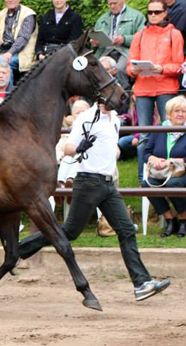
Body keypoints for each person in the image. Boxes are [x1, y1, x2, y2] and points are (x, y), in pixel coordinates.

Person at [18, 102, 172, 302]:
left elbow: (112, 148)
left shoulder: (114, 118)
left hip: (108, 184)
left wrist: (114, 152)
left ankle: (142, 283)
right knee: (70, 231)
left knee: (126, 230)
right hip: (88, 182)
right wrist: (80, 147)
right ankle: (19, 249)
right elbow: (68, 147)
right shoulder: (87, 118)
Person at [127, 0, 183, 184]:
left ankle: (173, 174)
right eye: (150, 12)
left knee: (171, 130)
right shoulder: (139, 35)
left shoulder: (175, 34)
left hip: (166, 86)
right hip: (143, 88)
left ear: (165, 13)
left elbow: (179, 66)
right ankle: (144, 179)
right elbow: (129, 66)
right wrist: (133, 70)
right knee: (143, 134)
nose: (152, 15)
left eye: (157, 12)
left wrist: (161, 69)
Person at [142, 95, 186, 237]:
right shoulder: (159, 130)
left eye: (184, 111)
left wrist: (172, 161)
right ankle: (170, 220)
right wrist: (154, 159)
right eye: (176, 111)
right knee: (147, 185)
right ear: (168, 114)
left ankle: (184, 220)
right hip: (162, 172)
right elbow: (146, 152)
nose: (180, 114)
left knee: (174, 184)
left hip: (182, 172)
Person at [92, 0, 145, 87]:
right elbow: (96, 39)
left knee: (119, 69)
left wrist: (125, 39)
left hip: (125, 51)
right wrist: (95, 43)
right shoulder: (102, 19)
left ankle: (124, 95)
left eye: (115, 3)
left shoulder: (137, 16)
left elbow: (142, 38)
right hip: (105, 51)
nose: (112, 6)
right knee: (96, 68)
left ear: (124, 1)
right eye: (110, 4)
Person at [0, 0, 38, 79]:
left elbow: (23, 38)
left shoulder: (28, 14)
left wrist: (10, 53)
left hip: (23, 53)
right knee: (1, 63)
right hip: (4, 51)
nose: (10, 0)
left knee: (2, 64)